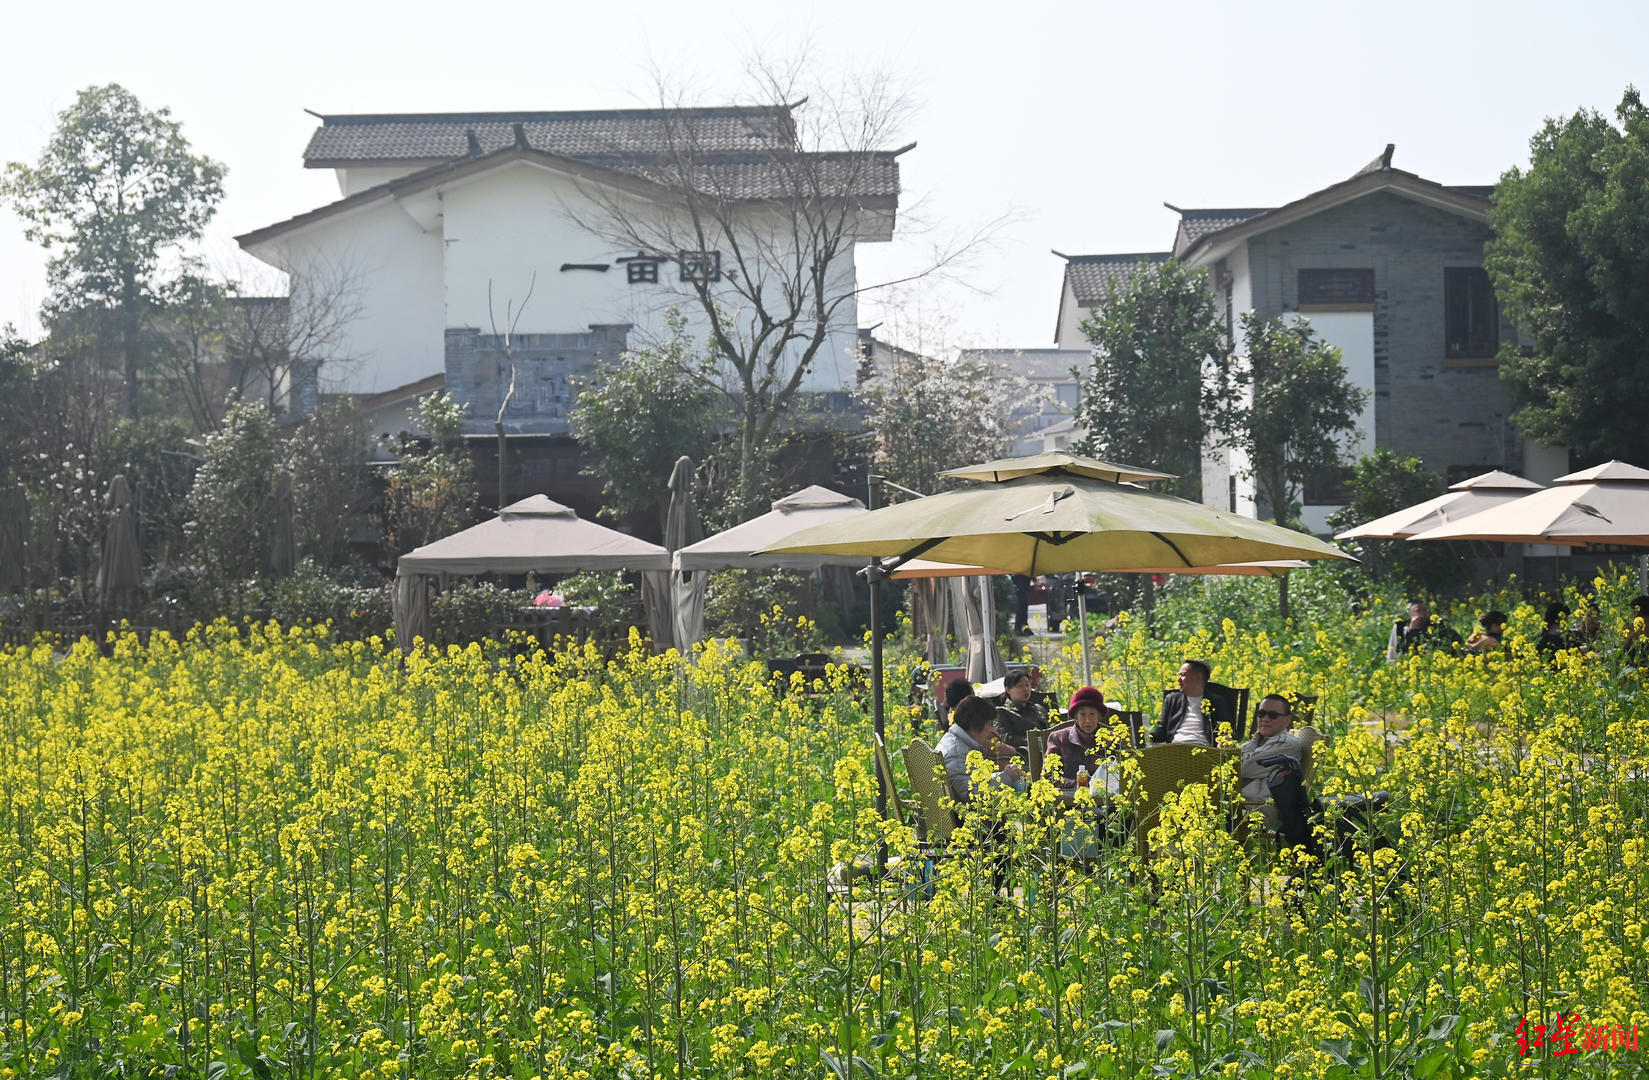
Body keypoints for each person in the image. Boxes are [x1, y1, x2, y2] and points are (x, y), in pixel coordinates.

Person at [1238, 695, 1312, 829]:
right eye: (1261, 714)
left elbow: (1240, 768)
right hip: (1239, 800)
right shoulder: (1265, 740)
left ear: (1287, 720)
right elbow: (1234, 760)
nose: (1265, 719)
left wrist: (1253, 741)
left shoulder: (1285, 743)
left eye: (1272, 715)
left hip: (1253, 809)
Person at [936, 696, 1023, 805]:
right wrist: (1006, 778)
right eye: (989, 724)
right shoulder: (956, 752)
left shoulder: (956, 742)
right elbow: (972, 795)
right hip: (964, 818)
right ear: (975, 724)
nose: (992, 730)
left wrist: (1004, 775)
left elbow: (974, 782)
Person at [1150, 659, 1237, 747]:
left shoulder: (1217, 701)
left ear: (1198, 677)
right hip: (1174, 750)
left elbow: (1228, 730)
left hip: (1204, 750)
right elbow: (1161, 732)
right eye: (1178, 675)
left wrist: (1225, 739)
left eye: (1183, 675)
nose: (1178, 679)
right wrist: (1146, 736)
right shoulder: (1172, 700)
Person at [1046, 686, 1110, 790]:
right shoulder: (1059, 738)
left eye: (1092, 714)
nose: (1088, 720)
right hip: (1070, 801)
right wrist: (1078, 785)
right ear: (1076, 716)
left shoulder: (1112, 739)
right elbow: (1048, 776)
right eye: (1083, 715)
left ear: (1099, 716)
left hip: (1106, 799)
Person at [992, 669, 1049, 751]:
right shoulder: (1001, 712)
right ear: (1008, 690)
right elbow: (1007, 739)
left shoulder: (1038, 709)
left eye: (1027, 685)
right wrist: (1034, 740)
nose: (1025, 689)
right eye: (1020, 686)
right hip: (1023, 755)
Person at [1386, 600, 1461, 662]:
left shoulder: (1436, 625)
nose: (1422, 614)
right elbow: (1392, 651)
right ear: (1411, 614)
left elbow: (1456, 639)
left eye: (1424, 611)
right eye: (1418, 611)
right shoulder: (1401, 628)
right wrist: (1412, 630)